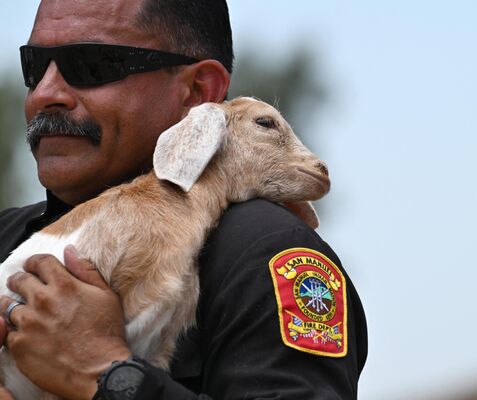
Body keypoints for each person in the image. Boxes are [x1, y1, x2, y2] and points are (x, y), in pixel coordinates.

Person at [0, 0, 368, 399]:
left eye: (92, 64)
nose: (45, 94)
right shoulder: (6, 235)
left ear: (197, 91)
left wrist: (107, 374)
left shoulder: (261, 251)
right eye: (34, 67)